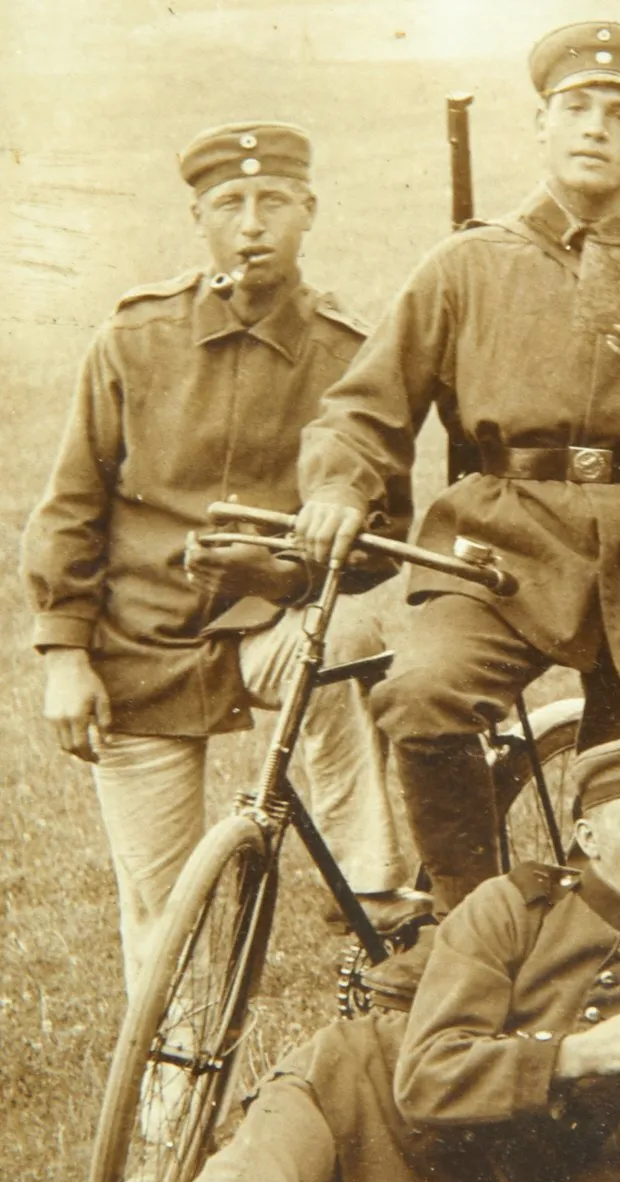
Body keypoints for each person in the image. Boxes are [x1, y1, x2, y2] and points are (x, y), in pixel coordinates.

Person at [291, 20, 620, 914]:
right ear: (542, 127)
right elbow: (365, 405)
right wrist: (336, 484)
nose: (596, 126)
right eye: (576, 108)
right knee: (424, 698)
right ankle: (471, 921)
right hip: (500, 549)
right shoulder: (468, 263)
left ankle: (608, 957)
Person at [20, 122, 417, 993]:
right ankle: (164, 1113)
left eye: (273, 201)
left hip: (273, 635)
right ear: (198, 218)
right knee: (161, 908)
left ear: (307, 211)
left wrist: (287, 577)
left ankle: (374, 883)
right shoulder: (133, 339)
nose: (252, 225)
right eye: (228, 205)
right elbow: (70, 505)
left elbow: (385, 534)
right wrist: (64, 656)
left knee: (344, 635)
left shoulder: (349, 353)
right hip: (140, 650)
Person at [173, 735, 620, 1182]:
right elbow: (426, 1078)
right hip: (357, 1095)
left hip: (482, 1175)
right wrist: (569, 1056)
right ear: (588, 836)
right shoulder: (511, 907)